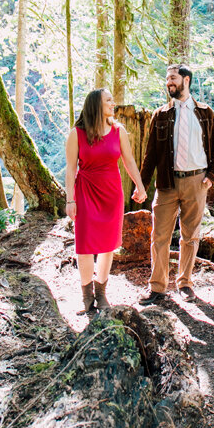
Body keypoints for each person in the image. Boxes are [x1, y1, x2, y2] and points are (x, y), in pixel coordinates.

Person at [138, 64, 214, 305]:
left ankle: (185, 284)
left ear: (186, 80)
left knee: (190, 236)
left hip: (197, 183)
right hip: (166, 183)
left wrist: (211, 178)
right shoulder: (161, 115)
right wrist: (142, 185)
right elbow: (150, 156)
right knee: (159, 236)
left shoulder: (206, 113)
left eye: (173, 78)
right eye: (167, 79)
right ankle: (157, 288)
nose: (169, 83)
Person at [65, 89, 147, 314]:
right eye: (108, 100)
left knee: (107, 246)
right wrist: (70, 200)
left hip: (112, 194)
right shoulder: (77, 134)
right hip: (85, 192)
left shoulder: (118, 131)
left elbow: (129, 161)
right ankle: (86, 297)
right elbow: (71, 169)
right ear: (96, 106)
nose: (113, 103)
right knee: (84, 245)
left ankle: (101, 294)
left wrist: (140, 186)